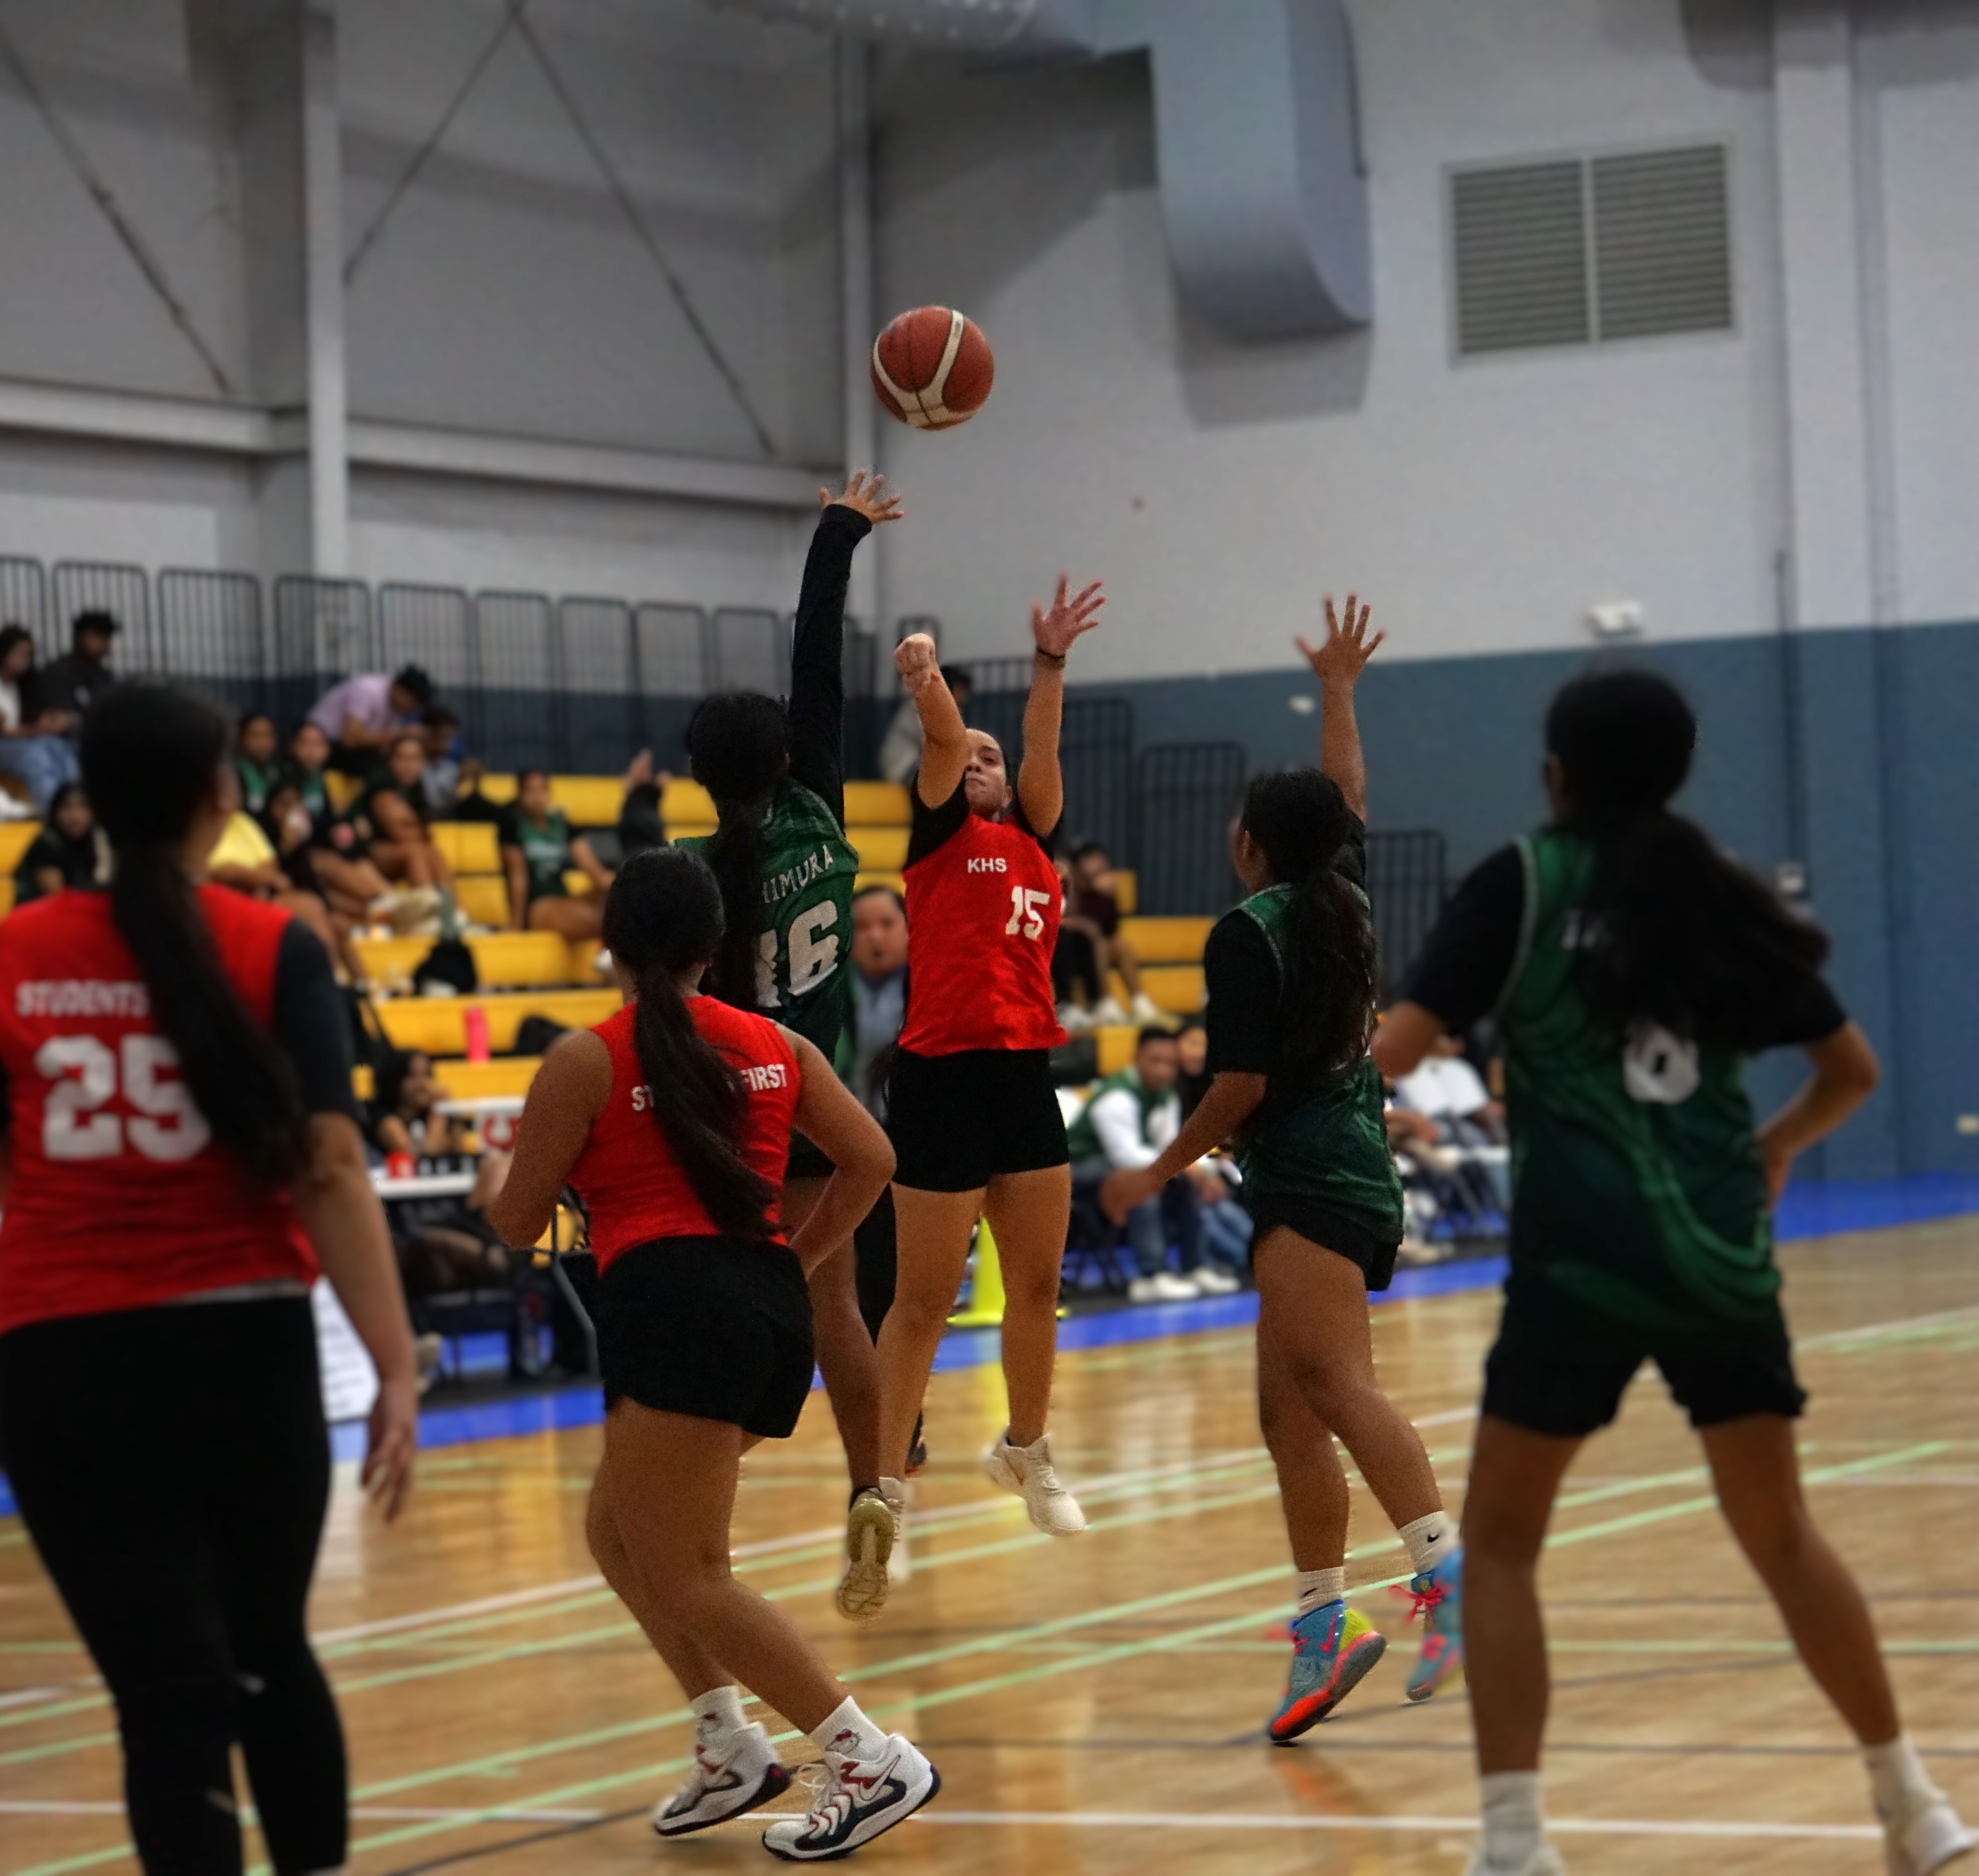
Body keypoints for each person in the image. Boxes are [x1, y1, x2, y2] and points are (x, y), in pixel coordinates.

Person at [1372, 669, 1973, 1876]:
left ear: (1555, 774)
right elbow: (1846, 1068)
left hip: (1578, 1261)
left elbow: (1391, 1053)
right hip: (1715, 1255)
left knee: (1494, 1543)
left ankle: (1513, 1843)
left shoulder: (1524, 882)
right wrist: (1766, 1150)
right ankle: (1912, 1808)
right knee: (1781, 1530)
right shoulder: (1713, 892)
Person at [0, 680, 417, 1876]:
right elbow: (332, 1166)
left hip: (63, 1362)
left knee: (164, 1698)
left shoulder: (15, 952)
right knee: (267, 1653)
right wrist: (393, 1364)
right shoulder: (272, 941)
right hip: (243, 1355)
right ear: (217, 798)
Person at [485, 846, 938, 1858]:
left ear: (611, 945)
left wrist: (509, 1181)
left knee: (691, 1573)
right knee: (618, 1527)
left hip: (674, 1308)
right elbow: (874, 1156)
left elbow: (518, 1225)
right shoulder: (776, 1042)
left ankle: (867, 1758)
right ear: (715, 946)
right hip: (763, 1309)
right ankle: (728, 1741)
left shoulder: (586, 1059)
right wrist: (801, 1257)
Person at [1102, 598, 1463, 1741]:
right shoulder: (1341, 894)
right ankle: (1323, 1627)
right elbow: (1344, 798)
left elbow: (1238, 1088)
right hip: (1339, 1170)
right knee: (1287, 1412)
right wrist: (1339, 691)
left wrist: (1152, 1168)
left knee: (1337, 1390)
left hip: (1309, 1174)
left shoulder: (1248, 928)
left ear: (1250, 840)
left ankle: (1448, 1579)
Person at [682, 470, 903, 1620]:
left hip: (738, 1120)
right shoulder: (820, 809)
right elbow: (815, 658)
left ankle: (696, 1517)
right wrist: (837, 533)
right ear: (782, 759)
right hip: (818, 1099)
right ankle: (873, 1486)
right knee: (838, 1319)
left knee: (718, 1328)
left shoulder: (689, 876)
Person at [875, 575, 1106, 1543]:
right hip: (939, 1078)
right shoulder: (939, 833)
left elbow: (1042, 749)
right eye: (966, 750)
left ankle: (1028, 1447)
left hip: (1022, 1075)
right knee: (924, 1296)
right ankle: (881, 1480)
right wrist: (929, 680)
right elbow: (941, 738)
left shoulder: (1033, 836)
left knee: (1039, 1284)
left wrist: (1050, 663)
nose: (979, 757)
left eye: (991, 755)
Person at [1068, 1025, 1236, 1303]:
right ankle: (1151, 1276)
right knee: (1142, 1183)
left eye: (1170, 1063)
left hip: (1126, 1167)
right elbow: (1126, 1156)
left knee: (1183, 1185)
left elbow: (1171, 1147)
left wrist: (1199, 1172)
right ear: (1137, 1059)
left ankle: (1194, 1267)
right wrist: (1185, 1170)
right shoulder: (1115, 1095)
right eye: (1155, 1061)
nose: (1163, 1071)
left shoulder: (1166, 1095)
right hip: (1081, 1172)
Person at [500, 768, 612, 938]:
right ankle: (618, 942)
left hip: (563, 900)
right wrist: (516, 924)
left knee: (617, 898)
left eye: (542, 790)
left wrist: (614, 892)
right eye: (530, 791)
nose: (537, 797)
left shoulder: (561, 824)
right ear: (520, 796)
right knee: (604, 919)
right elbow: (518, 877)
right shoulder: (512, 825)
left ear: (549, 793)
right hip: (538, 907)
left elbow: (592, 868)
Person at [1066, 840, 1164, 1024]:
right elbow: (1066, 922)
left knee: (1120, 945)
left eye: (1098, 856)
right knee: (1101, 944)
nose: (1099, 862)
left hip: (1095, 946)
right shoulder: (1070, 886)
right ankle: (1103, 1002)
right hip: (1071, 950)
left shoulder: (1103, 888)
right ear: (1078, 865)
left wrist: (1106, 897)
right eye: (1090, 858)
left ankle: (1139, 1003)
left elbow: (1111, 927)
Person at [0, 623, 83, 809]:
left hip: (20, 740)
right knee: (36, 756)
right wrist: (39, 729)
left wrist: (50, 723)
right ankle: (53, 808)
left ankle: (77, 801)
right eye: (20, 654)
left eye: (29, 656)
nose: (25, 661)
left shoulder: (18, 685)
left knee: (61, 746)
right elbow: (5, 733)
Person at [306, 665, 433, 773]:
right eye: (413, 704)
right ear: (402, 692)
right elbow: (350, 740)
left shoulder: (397, 707)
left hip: (349, 751)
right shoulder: (367, 690)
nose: (412, 710)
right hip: (323, 745)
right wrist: (402, 734)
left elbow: (383, 743)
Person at [11, 781, 108, 903]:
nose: (76, 816)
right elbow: (56, 899)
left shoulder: (91, 841)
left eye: (84, 807)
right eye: (67, 808)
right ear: (55, 811)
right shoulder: (47, 844)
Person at [877, 661, 971, 785]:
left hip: (916, 764)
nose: (964, 694)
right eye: (960, 688)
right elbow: (933, 743)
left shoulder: (951, 711)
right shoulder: (922, 704)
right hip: (902, 766)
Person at [28, 609, 121, 733]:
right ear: (81, 637)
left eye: (107, 638)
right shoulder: (58, 673)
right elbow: (59, 720)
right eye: (100, 637)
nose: (105, 645)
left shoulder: (105, 676)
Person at [234, 711, 282, 815]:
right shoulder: (232, 773)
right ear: (241, 737)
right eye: (256, 736)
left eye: (269, 735)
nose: (264, 743)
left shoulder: (278, 770)